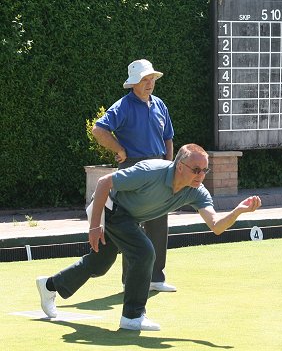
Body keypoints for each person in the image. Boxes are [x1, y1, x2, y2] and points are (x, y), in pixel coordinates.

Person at [36, 144, 262, 331]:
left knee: (99, 264)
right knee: (144, 252)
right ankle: (132, 317)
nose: (200, 176)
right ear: (179, 166)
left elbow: (216, 226)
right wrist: (95, 226)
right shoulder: (151, 171)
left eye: (205, 171)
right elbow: (105, 183)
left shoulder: (196, 191)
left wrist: (238, 210)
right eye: (196, 170)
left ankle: (49, 285)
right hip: (110, 207)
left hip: (130, 218)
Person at [92, 58, 176, 292]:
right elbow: (98, 129)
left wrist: (168, 165)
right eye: (144, 80)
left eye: (151, 79)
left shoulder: (160, 104)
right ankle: (131, 280)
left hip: (159, 167)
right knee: (132, 227)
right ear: (134, 84)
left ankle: (156, 278)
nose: (149, 83)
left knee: (159, 222)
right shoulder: (123, 106)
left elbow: (168, 137)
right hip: (133, 168)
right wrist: (119, 149)